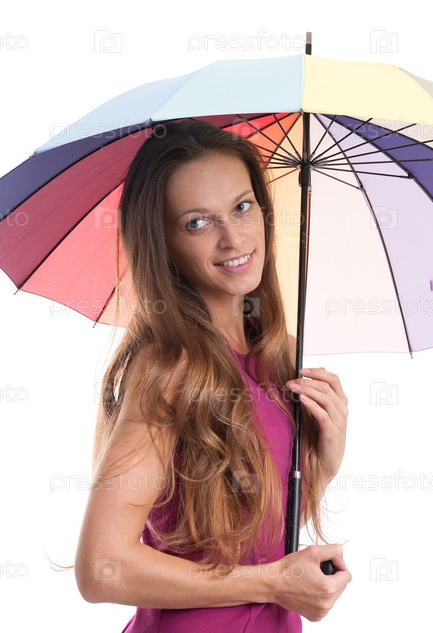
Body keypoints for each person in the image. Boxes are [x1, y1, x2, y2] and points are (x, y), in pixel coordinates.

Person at [74, 119, 352, 632]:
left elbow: (248, 530)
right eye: (198, 222)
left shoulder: (278, 355)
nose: (233, 238)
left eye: (242, 207)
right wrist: (271, 583)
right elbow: (101, 567)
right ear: (163, 243)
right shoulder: (170, 367)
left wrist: (324, 463)